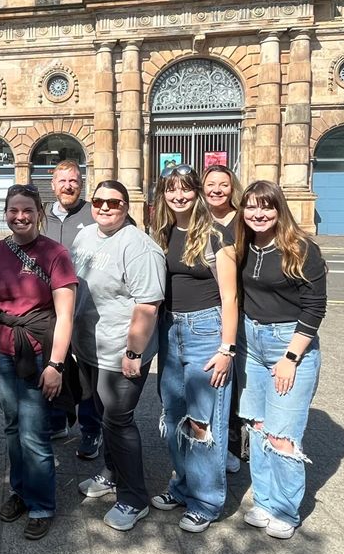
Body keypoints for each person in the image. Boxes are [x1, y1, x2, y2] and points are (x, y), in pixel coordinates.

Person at [0, 183, 77, 541]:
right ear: (5, 213)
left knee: (34, 432)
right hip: (0, 352)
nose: (20, 217)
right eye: (13, 210)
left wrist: (56, 364)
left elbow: (65, 315)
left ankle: (42, 504)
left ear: (39, 213)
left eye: (27, 210)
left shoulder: (55, 254)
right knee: (13, 425)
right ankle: (20, 489)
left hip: (36, 352)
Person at [231, 180, 328, 540]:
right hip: (250, 343)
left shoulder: (301, 248)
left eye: (266, 207)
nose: (258, 214)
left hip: (288, 343)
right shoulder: (244, 246)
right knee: (257, 427)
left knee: (283, 434)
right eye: (251, 207)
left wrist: (291, 357)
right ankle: (265, 501)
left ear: (279, 209)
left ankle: (286, 509)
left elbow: (315, 307)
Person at [70, 181, 165, 531]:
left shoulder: (139, 247)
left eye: (114, 202)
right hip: (89, 347)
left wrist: (133, 352)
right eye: (98, 201)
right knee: (99, 412)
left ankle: (134, 498)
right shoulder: (85, 237)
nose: (105, 207)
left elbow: (147, 304)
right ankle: (111, 474)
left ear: (126, 206)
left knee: (118, 420)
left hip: (122, 352)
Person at [150, 164, 239, 534]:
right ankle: (183, 487)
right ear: (163, 194)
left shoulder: (216, 236)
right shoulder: (160, 232)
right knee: (173, 416)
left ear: (196, 192)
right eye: (171, 189)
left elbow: (231, 297)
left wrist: (227, 348)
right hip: (170, 329)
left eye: (186, 188)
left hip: (206, 330)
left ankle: (207, 501)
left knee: (203, 421)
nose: (179, 195)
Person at [42, 159, 103, 461]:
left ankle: (91, 429)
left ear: (82, 184)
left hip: (89, 309)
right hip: (51, 312)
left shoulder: (95, 213)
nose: (68, 186)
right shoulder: (42, 218)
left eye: (74, 181)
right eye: (62, 181)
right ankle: (57, 421)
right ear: (52, 185)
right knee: (56, 366)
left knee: (90, 375)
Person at [202, 163, 245, 473]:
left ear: (233, 188)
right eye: (211, 184)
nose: (217, 189)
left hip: (243, 306)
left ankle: (235, 444)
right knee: (215, 380)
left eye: (223, 184)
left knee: (238, 379)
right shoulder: (198, 220)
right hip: (209, 311)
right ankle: (221, 444)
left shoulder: (243, 220)